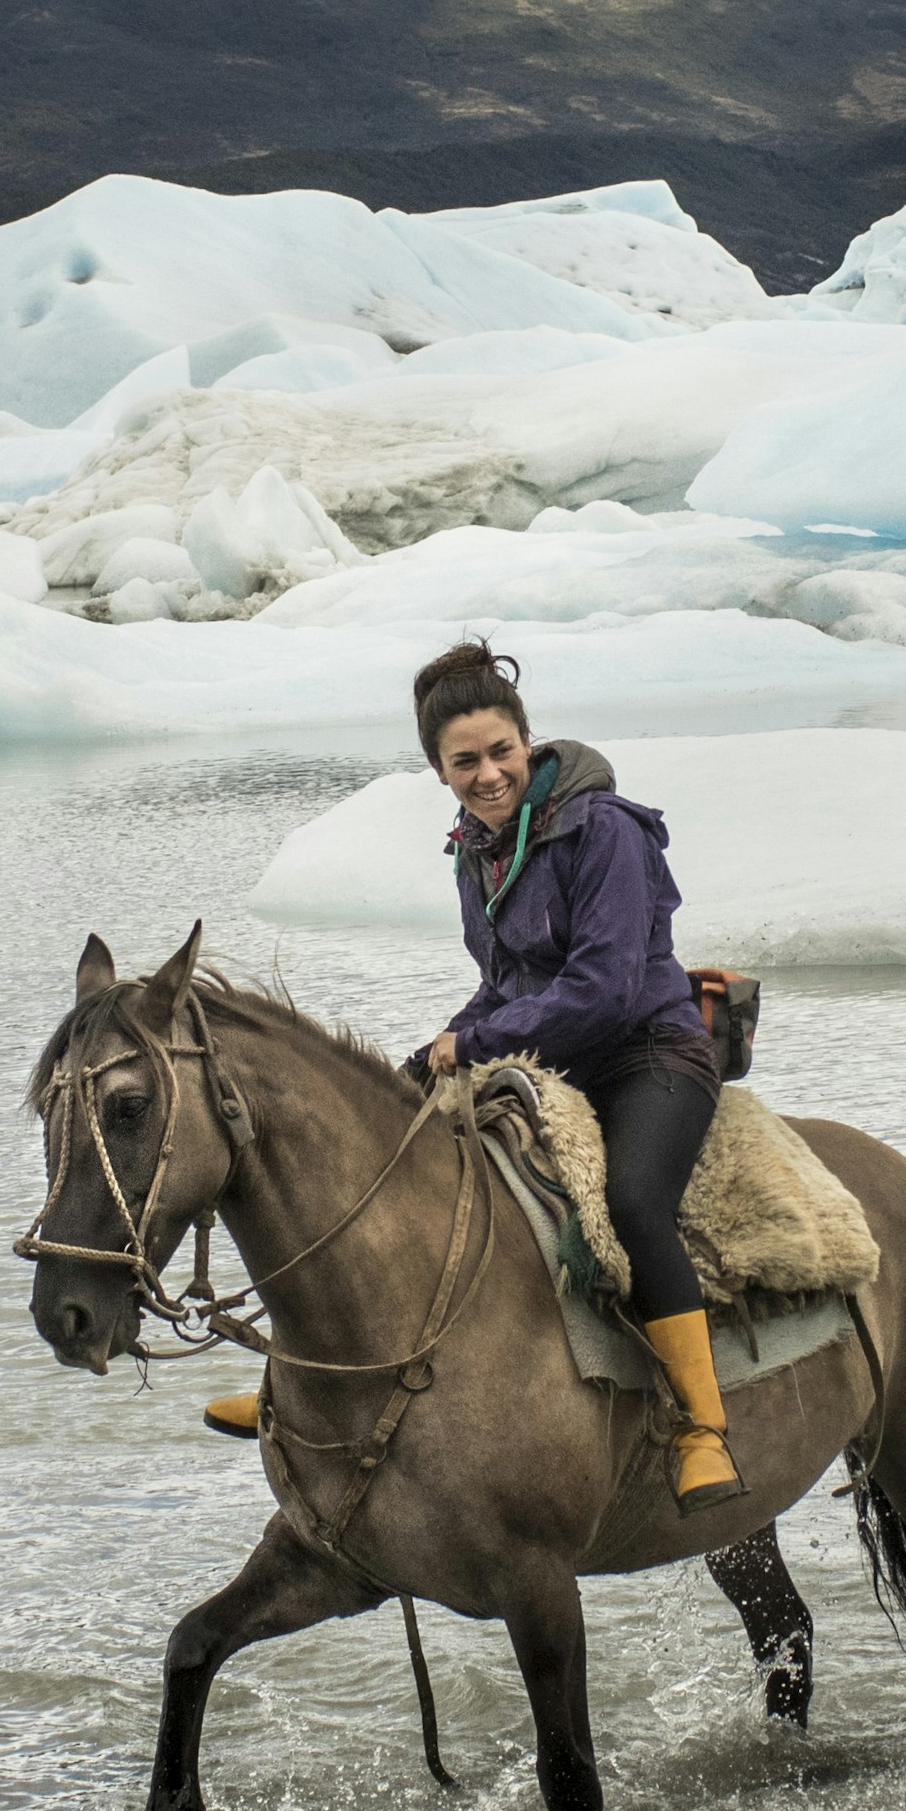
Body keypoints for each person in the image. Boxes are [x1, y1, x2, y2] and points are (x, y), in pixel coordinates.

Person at [204, 641, 744, 1512]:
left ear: (528, 743)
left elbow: (603, 988)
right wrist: (443, 1045)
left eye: (502, 752)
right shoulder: (475, 848)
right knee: (385, 1176)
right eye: (466, 763)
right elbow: (504, 982)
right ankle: (293, 1385)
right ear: (439, 770)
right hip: (545, 1054)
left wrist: (482, 1037)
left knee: (638, 1203)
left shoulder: (605, 829)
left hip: (647, 1052)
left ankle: (702, 1427)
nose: (489, 774)